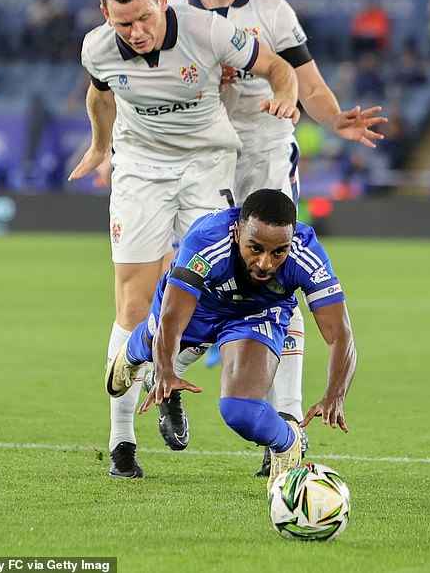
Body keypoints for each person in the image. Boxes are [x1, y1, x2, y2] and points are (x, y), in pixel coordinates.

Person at [165, 0, 384, 475]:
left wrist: (334, 119)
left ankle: (283, 426)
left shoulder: (271, 10)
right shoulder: (170, 13)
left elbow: (306, 81)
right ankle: (169, 380)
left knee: (279, 285)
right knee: (188, 274)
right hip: (202, 155)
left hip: (263, 153)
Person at [68, 0, 300, 478]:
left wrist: (286, 94)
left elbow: (276, 66)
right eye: (122, 22)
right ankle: (121, 442)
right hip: (140, 170)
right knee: (133, 301)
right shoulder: (96, 47)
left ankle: (164, 377)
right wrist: (100, 146)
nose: (137, 31)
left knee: (205, 293)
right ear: (105, 15)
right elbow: (99, 92)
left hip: (206, 167)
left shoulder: (210, 30)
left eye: (145, 17)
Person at [105, 189, 357, 491]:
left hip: (256, 314)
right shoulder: (207, 240)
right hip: (199, 305)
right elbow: (172, 321)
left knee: (241, 410)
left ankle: (288, 441)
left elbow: (341, 335)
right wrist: (167, 372)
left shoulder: (307, 253)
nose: (265, 263)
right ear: (237, 232)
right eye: (255, 248)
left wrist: (335, 394)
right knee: (152, 337)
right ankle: (132, 353)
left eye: (278, 252)